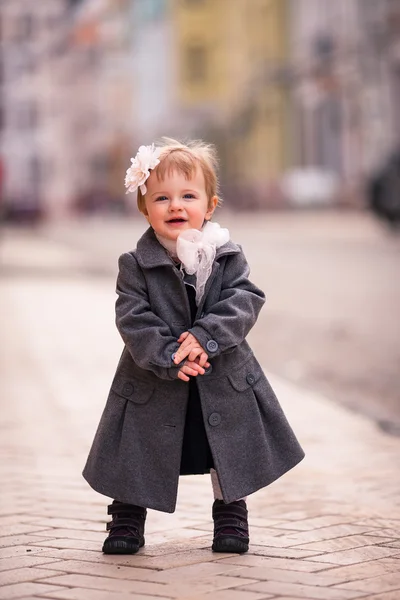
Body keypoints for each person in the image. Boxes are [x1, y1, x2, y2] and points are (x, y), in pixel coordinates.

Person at [83, 138, 305, 555]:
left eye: (188, 196)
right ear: (145, 208)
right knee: (138, 448)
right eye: (162, 198)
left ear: (210, 204)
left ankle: (230, 513)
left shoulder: (227, 255)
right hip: (153, 377)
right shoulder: (134, 264)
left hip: (219, 372)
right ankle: (127, 516)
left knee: (227, 448)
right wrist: (168, 354)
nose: (175, 206)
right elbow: (133, 317)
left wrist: (206, 338)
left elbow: (243, 300)